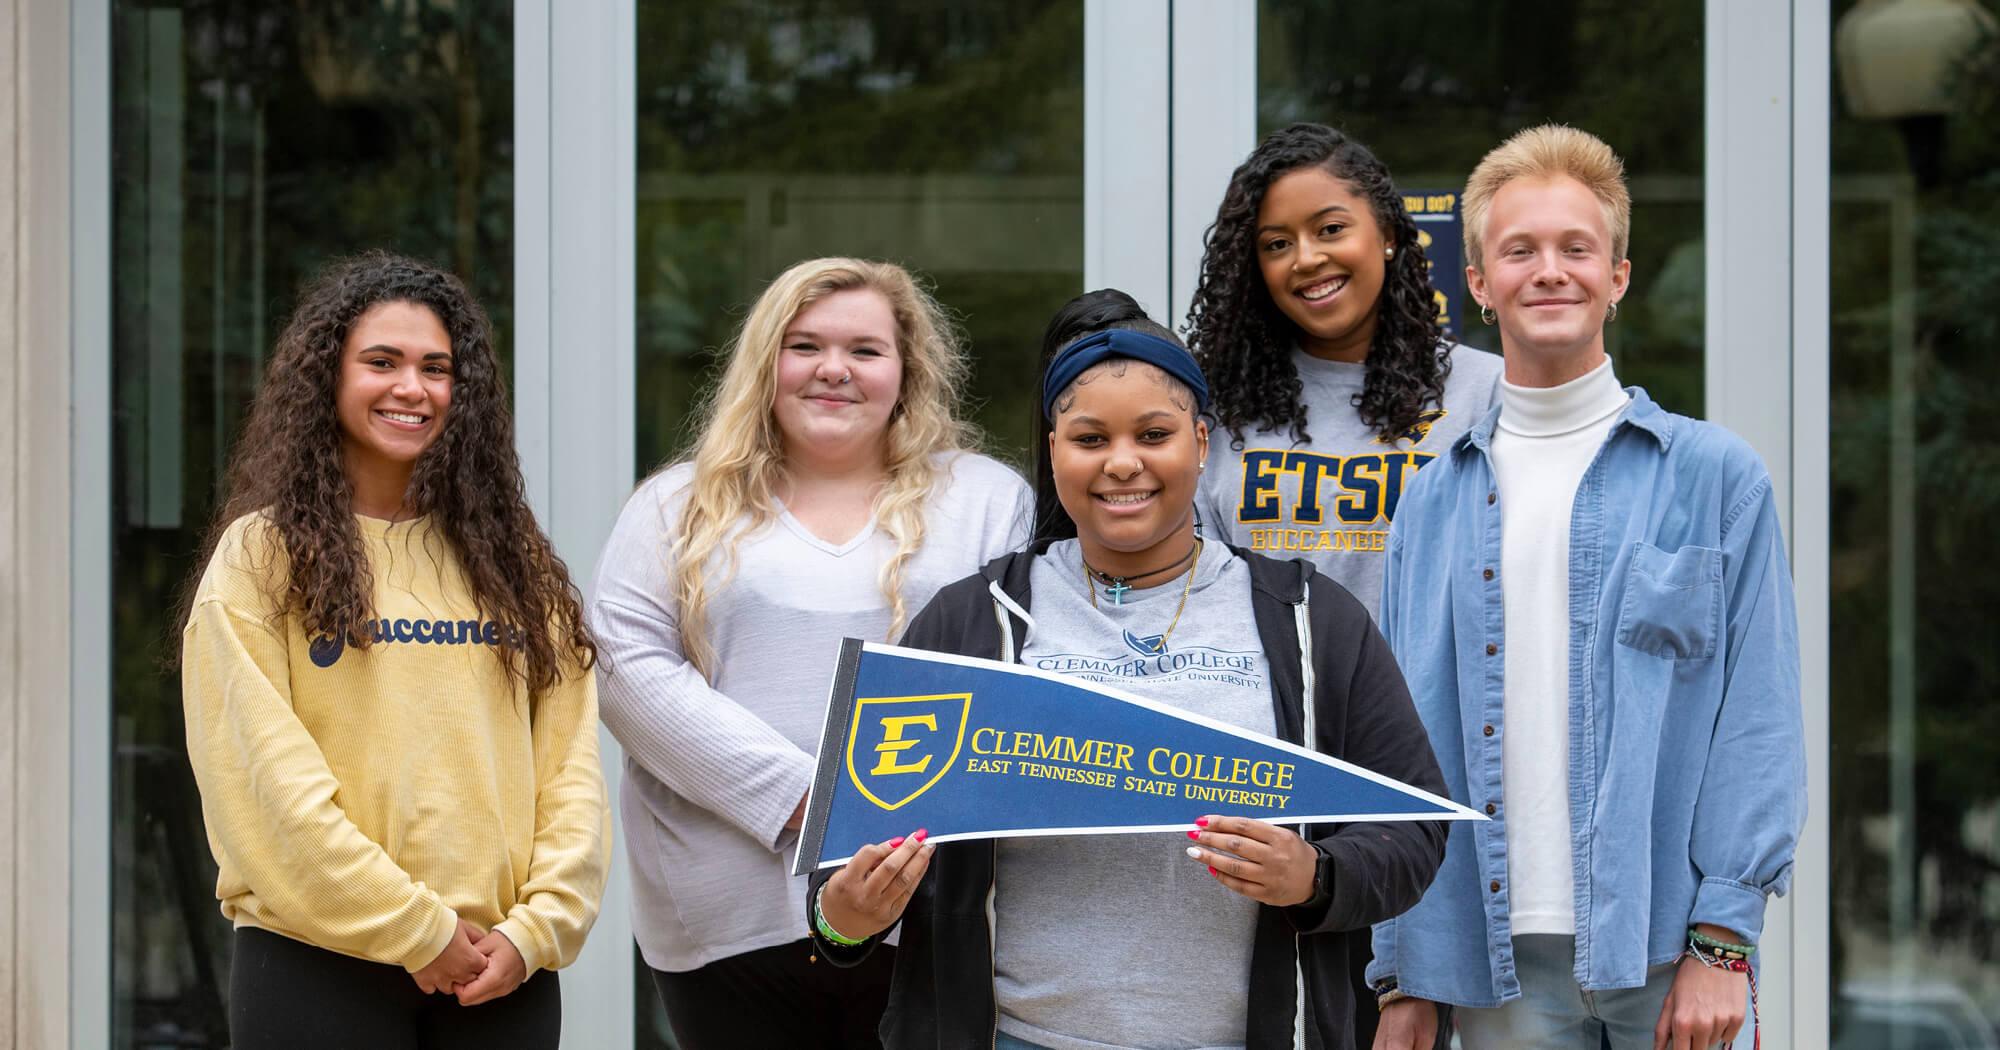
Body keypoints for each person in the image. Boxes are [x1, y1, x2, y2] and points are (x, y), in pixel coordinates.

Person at [810, 295, 1449, 1050]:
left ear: (1202, 443)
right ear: (1054, 452)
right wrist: (844, 918)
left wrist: (1316, 874)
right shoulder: (965, 622)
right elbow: (846, 871)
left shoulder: (1312, 618)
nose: (1122, 462)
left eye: (1154, 434)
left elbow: (1414, 828)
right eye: (1090, 438)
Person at [1367, 126, 1805, 1050]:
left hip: (1668, 948)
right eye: (1519, 250)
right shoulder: (1431, 506)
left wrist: (1724, 941)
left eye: (1577, 248)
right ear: (1480, 285)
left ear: (1618, 275)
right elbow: (1404, 750)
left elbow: (1758, 718)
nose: (1550, 270)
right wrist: (1403, 968)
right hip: (1494, 966)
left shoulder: (1716, 476)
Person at [590, 257, 1032, 1048]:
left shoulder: (988, 501)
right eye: (805, 346)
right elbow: (628, 671)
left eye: (865, 349)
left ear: (908, 371)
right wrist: (824, 801)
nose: (835, 369)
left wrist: (882, 822)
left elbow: (1016, 674)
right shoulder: (675, 505)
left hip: (924, 905)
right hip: (723, 918)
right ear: (768, 365)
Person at [177, 252, 610, 1050]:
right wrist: (418, 932)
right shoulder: (260, 560)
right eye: (382, 362)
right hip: (315, 965)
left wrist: (536, 931)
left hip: (499, 974)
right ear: (327, 378)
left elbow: (571, 777)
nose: (412, 388)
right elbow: (265, 791)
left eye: (436, 368)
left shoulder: (515, 567)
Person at [1187, 122, 1504, 629]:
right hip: (1269, 703)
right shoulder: (1218, 409)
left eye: (1331, 229)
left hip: (1426, 707)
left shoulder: (1485, 392)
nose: (1307, 258)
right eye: (1276, 244)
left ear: (1388, 236)